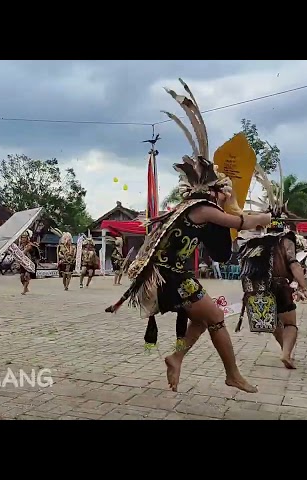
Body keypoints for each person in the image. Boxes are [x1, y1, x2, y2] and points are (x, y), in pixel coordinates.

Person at [106, 79, 270, 393]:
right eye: (224, 190)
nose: (225, 195)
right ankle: (232, 374)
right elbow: (241, 220)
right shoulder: (203, 208)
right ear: (214, 190)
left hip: (175, 275)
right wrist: (266, 217)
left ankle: (177, 358)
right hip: (169, 277)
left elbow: (223, 242)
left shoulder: (193, 207)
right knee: (217, 317)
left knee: (204, 318)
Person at [236, 163, 307, 370]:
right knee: (290, 323)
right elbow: (293, 262)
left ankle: (285, 352)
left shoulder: (255, 239)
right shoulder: (286, 239)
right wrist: (305, 287)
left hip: (256, 287)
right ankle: (286, 353)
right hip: (279, 285)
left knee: (271, 322)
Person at [16, 230, 39, 295]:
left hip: (30, 263)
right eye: (22, 237)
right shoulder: (21, 246)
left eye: (25, 237)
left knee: (27, 276)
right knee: (21, 277)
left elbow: (24, 252)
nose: (23, 239)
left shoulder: (30, 245)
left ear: (27, 238)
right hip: (23, 263)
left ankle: (24, 290)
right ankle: (26, 288)